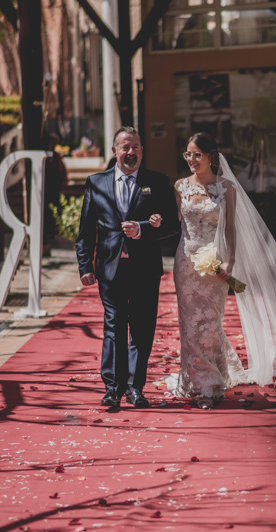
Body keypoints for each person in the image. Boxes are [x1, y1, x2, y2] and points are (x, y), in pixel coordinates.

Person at [154, 132, 276, 409]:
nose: (191, 159)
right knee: (190, 326)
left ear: (210, 157)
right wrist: (154, 222)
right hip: (186, 264)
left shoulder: (226, 188)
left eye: (197, 154)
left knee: (210, 324)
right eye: (188, 154)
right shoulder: (180, 186)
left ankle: (214, 377)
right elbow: (176, 224)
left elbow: (230, 228)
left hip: (215, 263)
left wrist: (230, 262)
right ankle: (205, 385)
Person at [76, 126, 179, 410]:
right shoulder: (96, 182)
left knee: (142, 329)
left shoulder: (157, 182)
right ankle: (112, 388)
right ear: (114, 151)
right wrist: (85, 265)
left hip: (145, 268)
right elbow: (85, 230)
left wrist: (143, 229)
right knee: (114, 327)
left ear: (142, 151)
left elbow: (172, 225)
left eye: (135, 147)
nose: (130, 152)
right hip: (110, 268)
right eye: (125, 147)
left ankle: (135, 388)